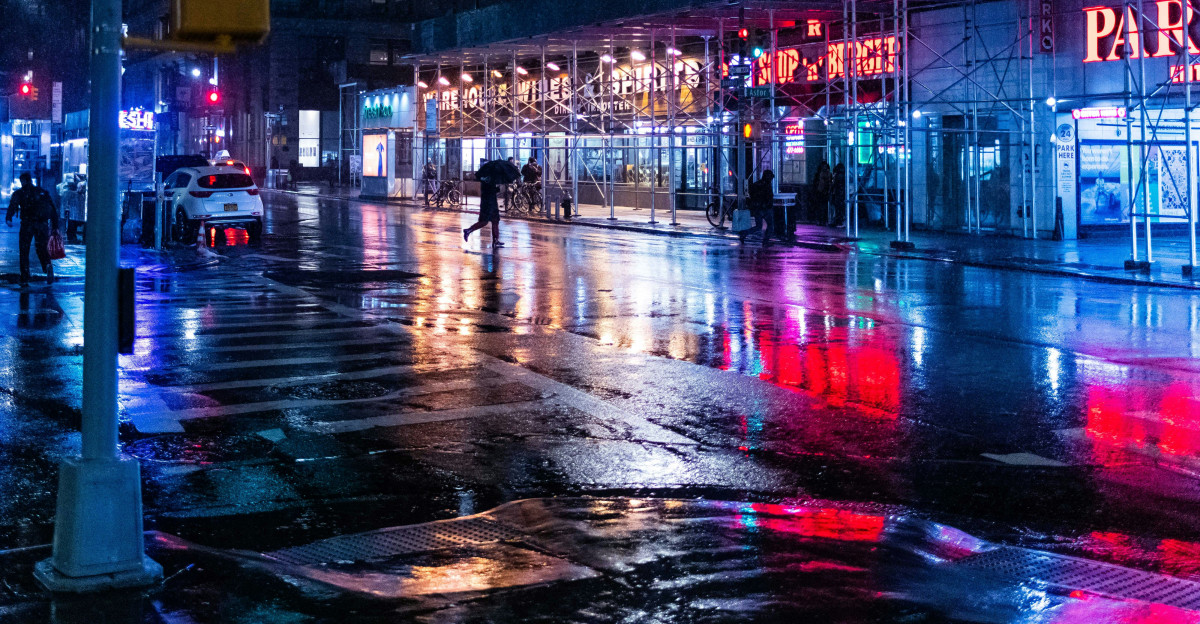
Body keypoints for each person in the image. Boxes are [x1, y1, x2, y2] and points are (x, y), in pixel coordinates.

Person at [6, 172, 60, 286]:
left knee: (24, 250)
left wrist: (8, 218)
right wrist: (55, 226)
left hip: (27, 224)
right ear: (31, 180)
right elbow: (53, 209)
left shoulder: (20, 193)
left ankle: (25, 276)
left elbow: (13, 205)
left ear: (23, 181)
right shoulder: (42, 192)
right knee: (41, 247)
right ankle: (47, 265)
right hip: (42, 225)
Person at [463, 173, 504, 248]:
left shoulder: (484, 177)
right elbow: (490, 190)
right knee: (485, 221)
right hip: (490, 203)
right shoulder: (489, 178)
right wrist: (497, 189)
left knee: (495, 220)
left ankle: (495, 240)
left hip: (487, 202)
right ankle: (468, 230)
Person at [748, 170, 775, 246]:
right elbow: (768, 196)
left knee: (758, 226)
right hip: (765, 208)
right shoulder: (766, 185)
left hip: (758, 208)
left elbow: (751, 194)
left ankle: (743, 233)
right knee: (770, 225)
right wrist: (768, 203)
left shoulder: (756, 184)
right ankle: (765, 241)